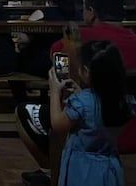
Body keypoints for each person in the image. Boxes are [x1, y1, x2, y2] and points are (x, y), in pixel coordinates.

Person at [17, 0, 136, 186]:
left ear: (91, 12)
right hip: (127, 122)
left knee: (26, 112)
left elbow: (58, 66)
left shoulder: (78, 40)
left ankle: (50, 171)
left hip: (86, 131)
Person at [49, 41, 131, 186]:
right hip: (109, 166)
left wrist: (55, 91)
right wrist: (81, 94)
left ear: (86, 71)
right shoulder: (120, 99)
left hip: (82, 169)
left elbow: (57, 124)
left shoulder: (82, 102)